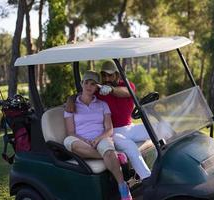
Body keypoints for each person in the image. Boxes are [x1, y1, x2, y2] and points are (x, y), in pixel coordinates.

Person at [66, 60, 151, 180]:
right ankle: (148, 179)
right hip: (114, 132)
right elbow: (85, 92)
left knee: (159, 129)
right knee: (130, 147)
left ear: (117, 75)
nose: (107, 78)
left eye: (110, 75)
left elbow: (127, 92)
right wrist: (71, 98)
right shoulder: (99, 91)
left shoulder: (127, 85)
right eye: (104, 75)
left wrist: (111, 90)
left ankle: (164, 167)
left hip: (129, 127)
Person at [63, 70, 132, 200]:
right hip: (81, 141)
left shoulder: (102, 105)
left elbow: (109, 129)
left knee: (106, 146)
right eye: (86, 83)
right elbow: (71, 132)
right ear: (81, 83)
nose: (89, 86)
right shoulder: (71, 106)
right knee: (68, 141)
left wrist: (98, 139)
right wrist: (86, 140)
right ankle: (114, 156)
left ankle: (122, 186)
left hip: (100, 138)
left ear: (97, 87)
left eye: (93, 84)